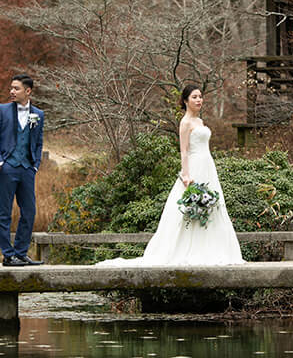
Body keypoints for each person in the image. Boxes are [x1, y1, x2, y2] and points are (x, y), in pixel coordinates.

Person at [96, 85, 243, 266]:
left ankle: (210, 248)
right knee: (189, 207)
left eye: (200, 96)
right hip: (194, 167)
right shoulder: (185, 123)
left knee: (212, 205)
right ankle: (182, 248)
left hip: (208, 166)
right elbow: (184, 151)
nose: (199, 100)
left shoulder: (200, 121)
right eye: (194, 97)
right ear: (186, 101)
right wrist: (186, 175)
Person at [0, 74, 44, 267]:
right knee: (5, 212)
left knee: (29, 212)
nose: (12, 91)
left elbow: (38, 141)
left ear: (28, 91)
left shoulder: (38, 114)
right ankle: (7, 255)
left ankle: (20, 253)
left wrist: (35, 164)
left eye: (16, 88)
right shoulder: (1, 110)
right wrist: (0, 163)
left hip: (27, 168)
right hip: (7, 167)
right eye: (11, 88)